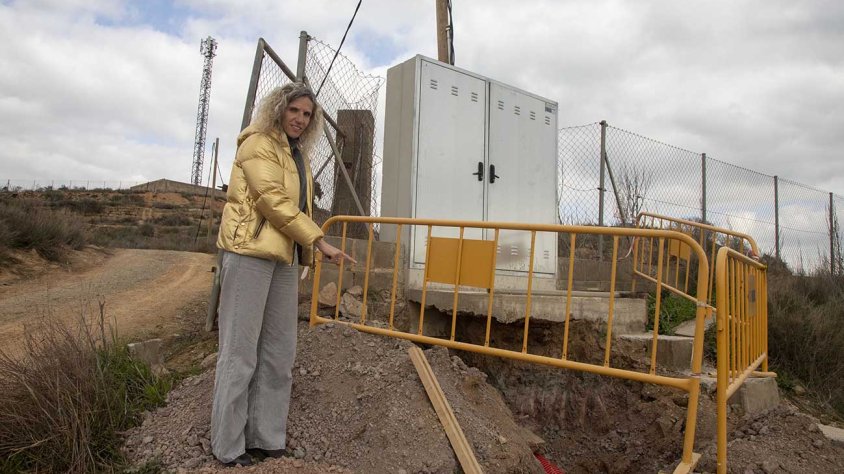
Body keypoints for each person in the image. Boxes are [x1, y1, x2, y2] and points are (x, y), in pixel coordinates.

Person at [211, 82, 354, 467]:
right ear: (279, 109)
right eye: (294, 110)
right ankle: (227, 445)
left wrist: (304, 251)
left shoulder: (297, 156)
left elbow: (298, 204)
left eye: (307, 115)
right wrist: (319, 242)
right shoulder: (257, 142)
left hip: (285, 259)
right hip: (249, 254)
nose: (300, 119)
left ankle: (266, 437)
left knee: (278, 354)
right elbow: (271, 200)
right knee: (240, 353)